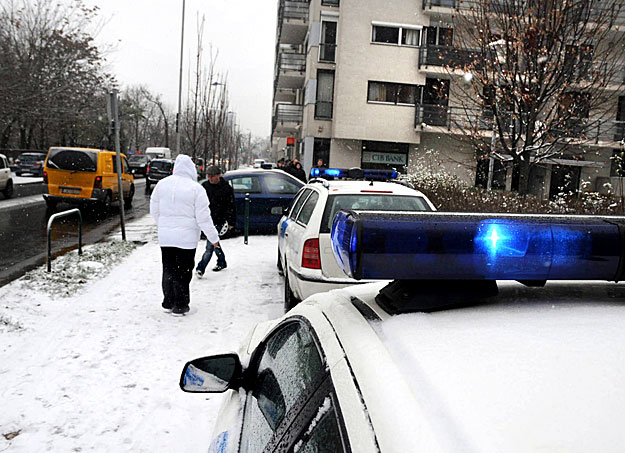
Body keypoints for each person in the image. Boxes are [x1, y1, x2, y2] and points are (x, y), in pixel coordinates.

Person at [150, 154, 220, 316]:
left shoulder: (161, 185)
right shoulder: (196, 189)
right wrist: (213, 238)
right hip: (187, 239)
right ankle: (180, 305)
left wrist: (164, 225)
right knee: (184, 270)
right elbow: (204, 218)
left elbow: (154, 210)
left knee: (168, 268)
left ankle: (168, 301)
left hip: (166, 237)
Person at [196, 165, 236, 277]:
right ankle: (222, 261)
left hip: (219, 221)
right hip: (207, 220)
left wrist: (231, 222)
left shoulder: (226, 188)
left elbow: (231, 206)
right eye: (209, 176)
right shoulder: (204, 187)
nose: (210, 178)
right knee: (215, 242)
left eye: (212, 176)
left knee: (210, 246)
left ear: (219, 176)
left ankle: (201, 268)